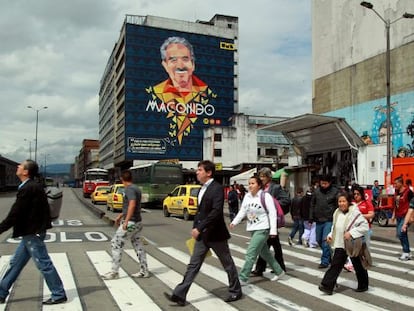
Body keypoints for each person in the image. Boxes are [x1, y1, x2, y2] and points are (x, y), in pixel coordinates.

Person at [164, 160, 242, 305]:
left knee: (227, 263)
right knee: (193, 265)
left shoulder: (217, 188)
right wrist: (196, 228)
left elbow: (216, 212)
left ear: (208, 172)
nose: (197, 172)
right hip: (202, 236)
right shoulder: (201, 189)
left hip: (216, 235)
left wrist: (200, 227)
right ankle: (180, 295)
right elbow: (200, 212)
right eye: (197, 170)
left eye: (200, 170)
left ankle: (236, 291)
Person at [0, 160, 67, 305]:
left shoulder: (28, 188)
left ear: (25, 172)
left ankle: (58, 293)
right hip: (31, 232)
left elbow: (15, 213)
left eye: (21, 166)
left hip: (32, 232)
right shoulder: (31, 187)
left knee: (43, 263)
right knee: (16, 263)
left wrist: (1, 228)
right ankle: (1, 292)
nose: (18, 166)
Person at [147, 36, 215, 145]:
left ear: (192, 64)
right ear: (165, 65)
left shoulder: (210, 96)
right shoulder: (154, 94)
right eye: (173, 60)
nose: (180, 65)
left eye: (185, 59)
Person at [229, 176, 285, 285]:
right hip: (252, 228)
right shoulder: (247, 197)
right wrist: (234, 222)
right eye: (249, 183)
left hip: (263, 228)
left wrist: (273, 230)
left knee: (251, 253)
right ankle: (279, 271)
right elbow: (243, 211)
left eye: (253, 183)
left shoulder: (265, 196)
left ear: (259, 185)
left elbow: (273, 213)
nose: (250, 185)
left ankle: (243, 277)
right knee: (265, 253)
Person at [101, 169, 149, 279]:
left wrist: (126, 221)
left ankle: (114, 272)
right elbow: (131, 206)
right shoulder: (136, 188)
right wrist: (121, 215)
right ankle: (144, 270)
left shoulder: (129, 189)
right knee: (138, 245)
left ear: (122, 179)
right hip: (138, 222)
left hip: (131, 222)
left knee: (115, 243)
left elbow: (132, 205)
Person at [318, 192, 369, 295]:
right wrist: (330, 235)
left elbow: (365, 226)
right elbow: (335, 226)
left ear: (348, 202)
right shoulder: (337, 212)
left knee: (358, 264)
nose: (341, 204)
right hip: (340, 243)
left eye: (343, 201)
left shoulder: (354, 212)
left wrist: (351, 233)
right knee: (336, 264)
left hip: (352, 243)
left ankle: (363, 285)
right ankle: (327, 286)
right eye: (339, 201)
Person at [251, 167, 287, 276]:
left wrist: (273, 204)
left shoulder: (275, 188)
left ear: (269, 178)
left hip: (271, 220)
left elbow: (285, 200)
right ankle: (280, 267)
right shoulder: (259, 188)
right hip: (262, 221)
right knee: (274, 245)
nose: (261, 179)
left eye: (263, 176)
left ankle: (260, 268)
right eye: (260, 176)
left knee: (264, 244)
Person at [310, 174, 339, 268]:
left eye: (325, 183)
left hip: (329, 219)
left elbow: (338, 206)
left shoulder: (335, 192)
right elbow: (312, 204)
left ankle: (325, 261)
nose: (323, 185)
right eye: (322, 183)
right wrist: (311, 217)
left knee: (325, 241)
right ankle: (329, 256)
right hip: (318, 219)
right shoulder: (316, 191)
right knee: (318, 240)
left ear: (329, 183)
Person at [392, 176, 414, 261]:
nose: (395, 185)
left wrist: (412, 216)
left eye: (396, 183)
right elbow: (395, 204)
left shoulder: (408, 192)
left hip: (406, 216)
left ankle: (406, 252)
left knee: (401, 233)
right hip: (398, 215)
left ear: (401, 183)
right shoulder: (396, 192)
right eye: (394, 184)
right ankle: (406, 252)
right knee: (401, 234)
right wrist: (393, 214)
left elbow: (412, 204)